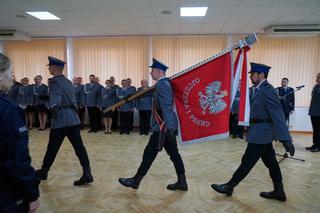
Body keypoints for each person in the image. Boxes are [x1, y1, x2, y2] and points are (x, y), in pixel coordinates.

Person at [211, 62, 295, 202]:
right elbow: (243, 105)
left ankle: (230, 186)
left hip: (262, 133)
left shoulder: (268, 91)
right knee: (271, 163)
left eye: (253, 74)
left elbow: (278, 114)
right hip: (258, 132)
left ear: (261, 75)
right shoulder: (254, 89)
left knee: (247, 161)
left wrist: (286, 138)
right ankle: (279, 191)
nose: (250, 77)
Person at [119, 58, 188, 191]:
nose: (150, 73)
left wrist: (169, 129)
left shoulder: (163, 85)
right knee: (174, 155)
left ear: (159, 72)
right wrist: (130, 97)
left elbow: (167, 107)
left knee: (149, 154)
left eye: (152, 71)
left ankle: (136, 181)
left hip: (163, 127)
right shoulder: (163, 84)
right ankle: (182, 182)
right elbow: (148, 93)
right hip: (165, 127)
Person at [35, 56, 93, 186]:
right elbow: (67, 97)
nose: (49, 68)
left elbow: (56, 100)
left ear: (55, 68)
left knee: (52, 148)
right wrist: (48, 98)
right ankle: (87, 173)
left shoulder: (54, 82)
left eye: (50, 66)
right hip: (72, 118)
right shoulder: (68, 82)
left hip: (61, 119)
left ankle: (44, 171)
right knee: (79, 148)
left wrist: (51, 106)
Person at [0, 53, 40, 213]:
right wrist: (32, 193)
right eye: (10, 72)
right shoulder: (8, 110)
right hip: (5, 193)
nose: (12, 77)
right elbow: (17, 160)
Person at [306, 73, 320, 152]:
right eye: (317, 77)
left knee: (319, 130)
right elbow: (313, 96)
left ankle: (318, 146)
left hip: (319, 113)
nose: (317, 78)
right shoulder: (316, 86)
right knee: (315, 130)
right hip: (313, 111)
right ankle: (315, 144)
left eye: (319, 77)